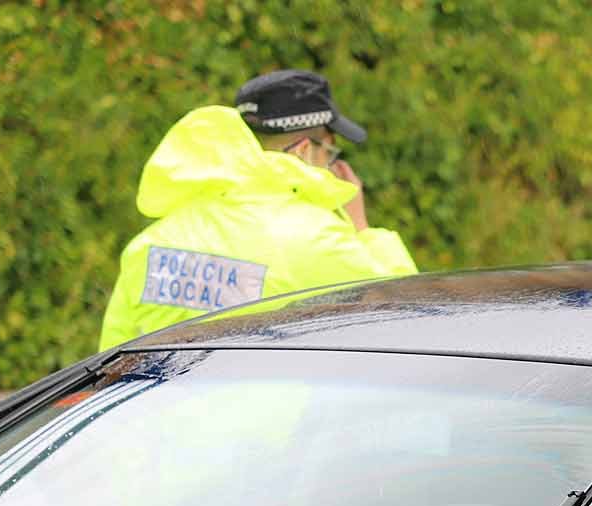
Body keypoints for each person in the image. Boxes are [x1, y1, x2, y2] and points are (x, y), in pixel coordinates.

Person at [98, 69, 418, 351]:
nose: (332, 165)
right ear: (304, 151)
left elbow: (110, 360)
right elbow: (406, 312)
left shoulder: (151, 243)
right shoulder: (310, 237)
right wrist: (362, 227)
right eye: (330, 152)